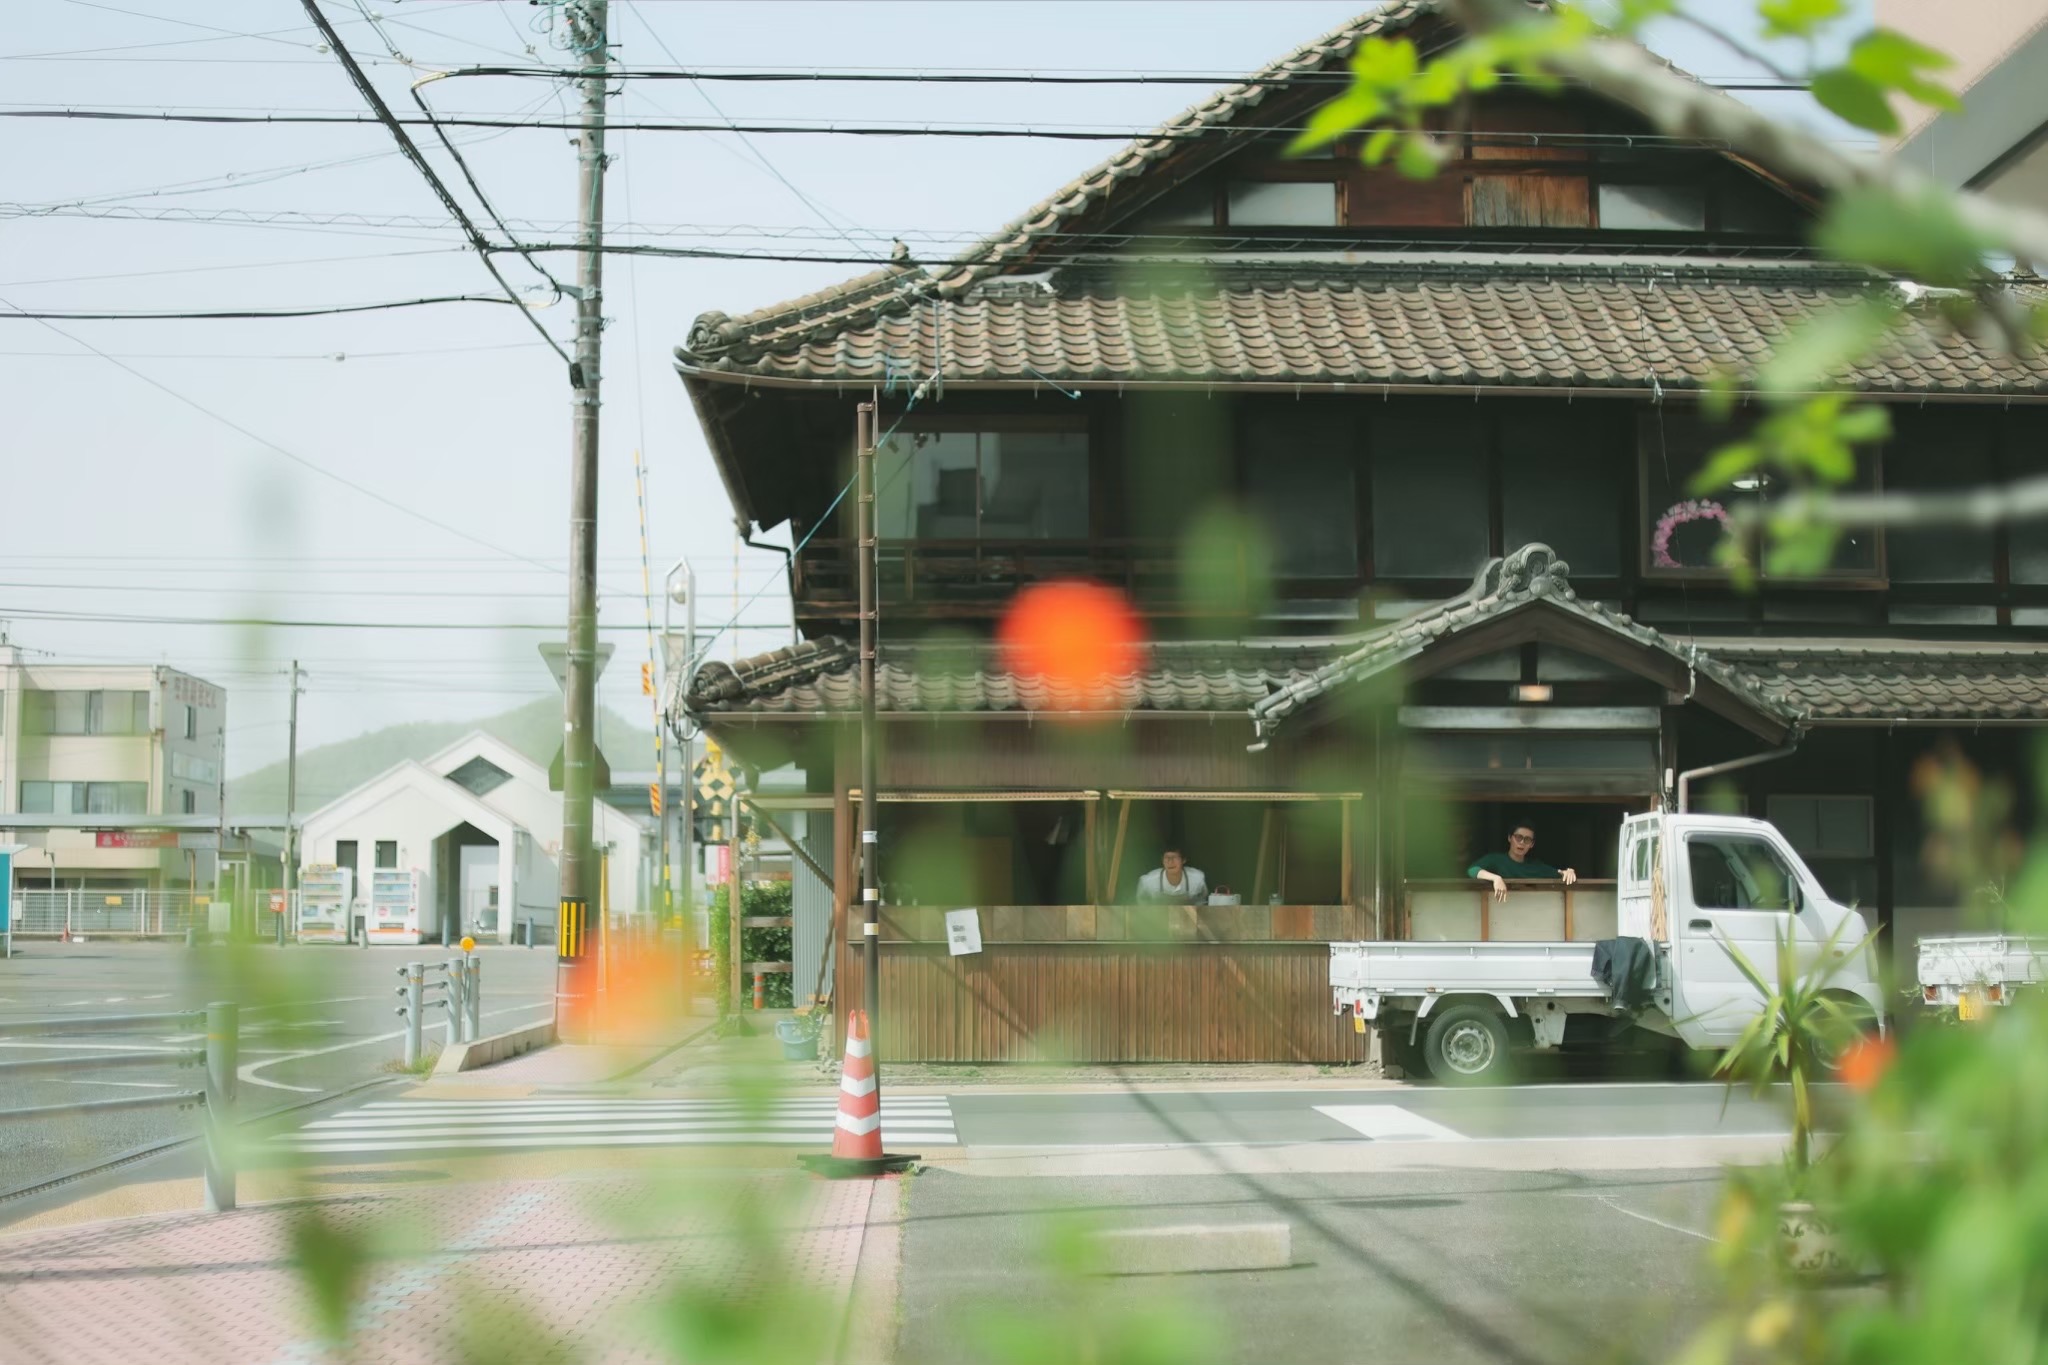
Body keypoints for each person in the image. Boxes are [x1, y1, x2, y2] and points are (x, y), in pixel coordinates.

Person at [1466, 823, 1577, 901]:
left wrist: (1569, 871)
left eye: (1527, 839)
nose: (1522, 842)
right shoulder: (1495, 859)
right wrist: (1496, 878)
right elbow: (1472, 870)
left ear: (1532, 844)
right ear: (1510, 838)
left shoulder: (1535, 866)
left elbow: (1559, 873)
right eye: (1518, 837)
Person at [1135, 847, 1209, 904]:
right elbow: (1141, 901)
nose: (1170, 862)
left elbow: (1202, 900)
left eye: (1174, 858)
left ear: (1184, 860)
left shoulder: (1197, 878)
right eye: (1167, 858)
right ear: (1162, 861)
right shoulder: (1148, 881)